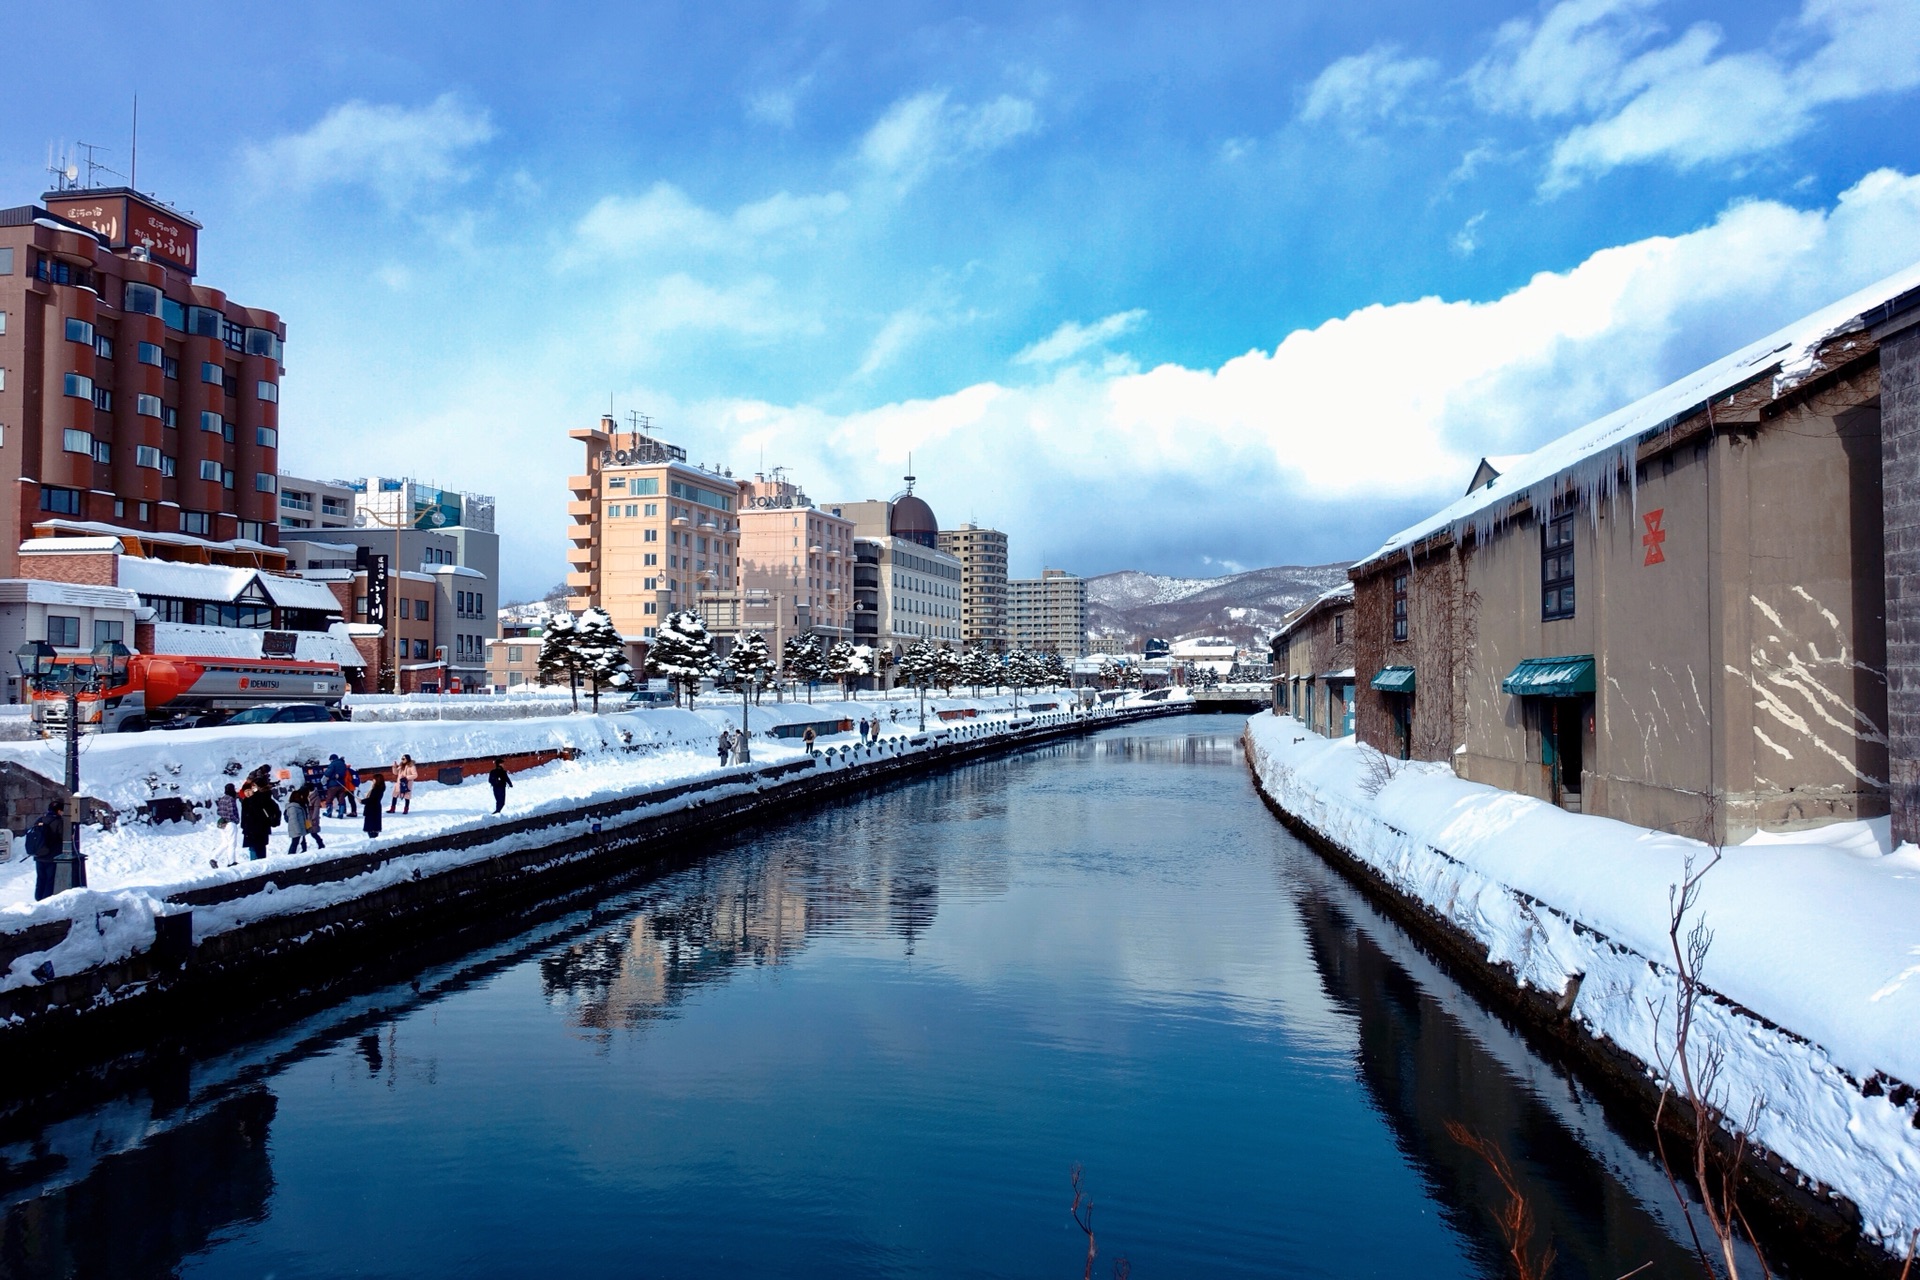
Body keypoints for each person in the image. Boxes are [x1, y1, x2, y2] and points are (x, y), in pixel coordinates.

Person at [28, 800, 64, 901]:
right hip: (51, 857)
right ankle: (46, 901)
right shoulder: (58, 822)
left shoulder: (40, 819)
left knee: (40, 878)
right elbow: (64, 837)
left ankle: (38, 898)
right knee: (50, 880)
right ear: (59, 811)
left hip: (39, 855)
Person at [240, 779, 279, 862]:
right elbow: (244, 816)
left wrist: (272, 820)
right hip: (250, 829)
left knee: (259, 849)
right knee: (253, 849)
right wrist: (243, 825)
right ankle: (255, 865)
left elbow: (273, 810)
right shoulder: (246, 802)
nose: (247, 793)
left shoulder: (260, 798)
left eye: (249, 790)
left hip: (260, 828)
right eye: (245, 791)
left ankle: (259, 866)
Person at [214, 782, 242, 866]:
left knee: (225, 843)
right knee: (232, 844)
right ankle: (231, 862)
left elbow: (218, 811)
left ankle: (213, 858)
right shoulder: (230, 799)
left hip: (222, 823)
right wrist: (236, 820)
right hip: (230, 823)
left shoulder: (222, 798)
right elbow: (231, 812)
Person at [285, 785, 313, 856]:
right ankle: (290, 857)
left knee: (302, 842)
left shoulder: (299, 806)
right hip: (297, 830)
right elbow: (294, 820)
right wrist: (298, 831)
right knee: (295, 843)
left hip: (301, 828)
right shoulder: (293, 807)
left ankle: (304, 854)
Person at [322, 754, 348, 819]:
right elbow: (344, 774)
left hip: (333, 784)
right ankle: (341, 813)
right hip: (341, 784)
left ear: (332, 759)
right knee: (341, 799)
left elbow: (328, 773)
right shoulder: (343, 764)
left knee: (329, 799)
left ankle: (329, 813)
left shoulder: (333, 764)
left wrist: (326, 776)